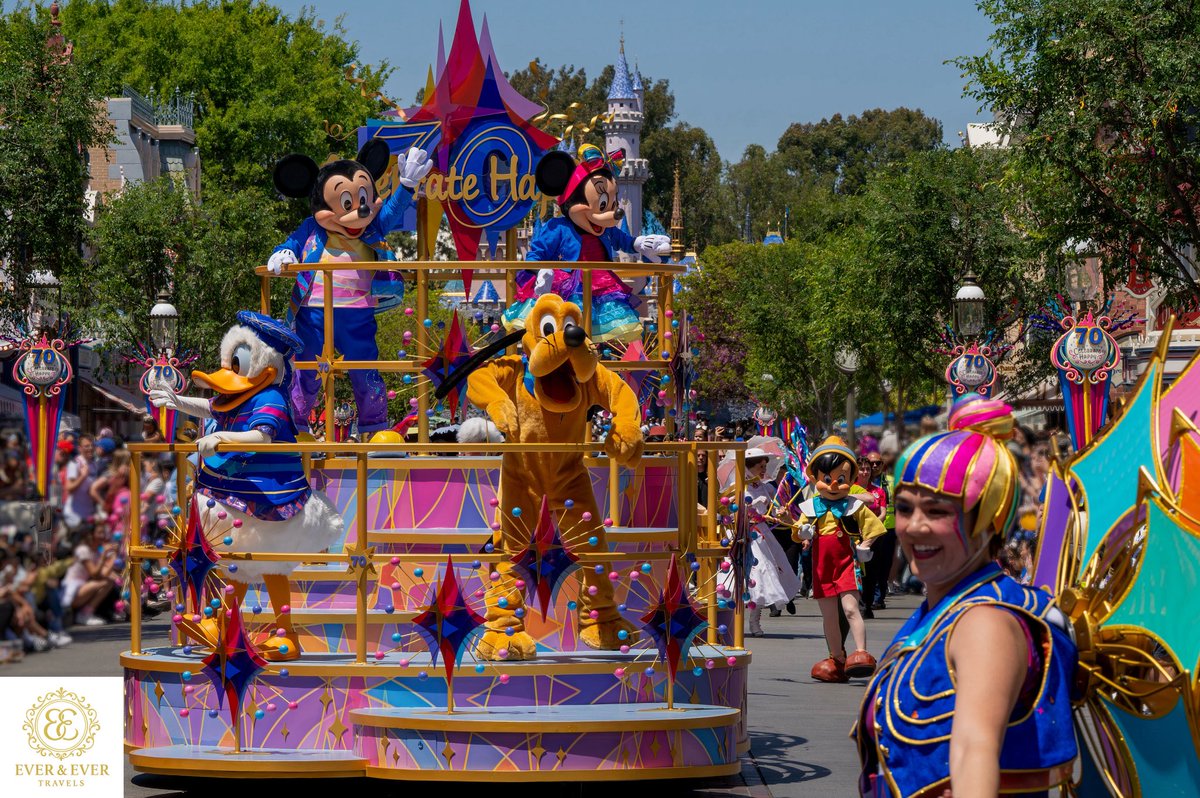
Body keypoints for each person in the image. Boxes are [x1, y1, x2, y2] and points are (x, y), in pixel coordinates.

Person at [853, 394, 1078, 797]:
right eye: (905, 509)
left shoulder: (985, 622)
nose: (915, 527)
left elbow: (974, 748)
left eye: (938, 511)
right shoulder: (941, 610)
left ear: (990, 521)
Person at [793, 437, 887, 682]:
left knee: (850, 608)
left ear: (851, 479)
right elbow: (798, 530)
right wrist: (803, 532)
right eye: (827, 479)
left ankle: (860, 652)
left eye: (840, 479)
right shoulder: (811, 506)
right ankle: (837, 658)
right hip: (822, 566)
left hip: (846, 563)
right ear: (815, 478)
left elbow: (874, 528)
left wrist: (865, 545)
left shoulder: (852, 506)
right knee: (829, 617)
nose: (833, 485)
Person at [723, 448, 800, 636]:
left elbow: (772, 512)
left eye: (765, 466)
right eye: (760, 466)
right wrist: (749, 505)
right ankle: (731, 623)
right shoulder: (736, 484)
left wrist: (779, 513)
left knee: (763, 576)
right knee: (738, 578)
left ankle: (754, 622)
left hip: (761, 535)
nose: (764, 470)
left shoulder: (766, 486)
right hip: (741, 535)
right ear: (750, 466)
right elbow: (728, 510)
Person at [61, 525, 118, 626]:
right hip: (71, 590)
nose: (102, 536)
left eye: (103, 533)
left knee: (109, 581)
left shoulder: (96, 552)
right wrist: (104, 555)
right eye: (99, 533)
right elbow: (94, 574)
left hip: (83, 587)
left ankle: (87, 612)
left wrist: (114, 556)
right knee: (107, 582)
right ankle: (84, 615)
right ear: (91, 535)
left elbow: (104, 574)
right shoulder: (83, 550)